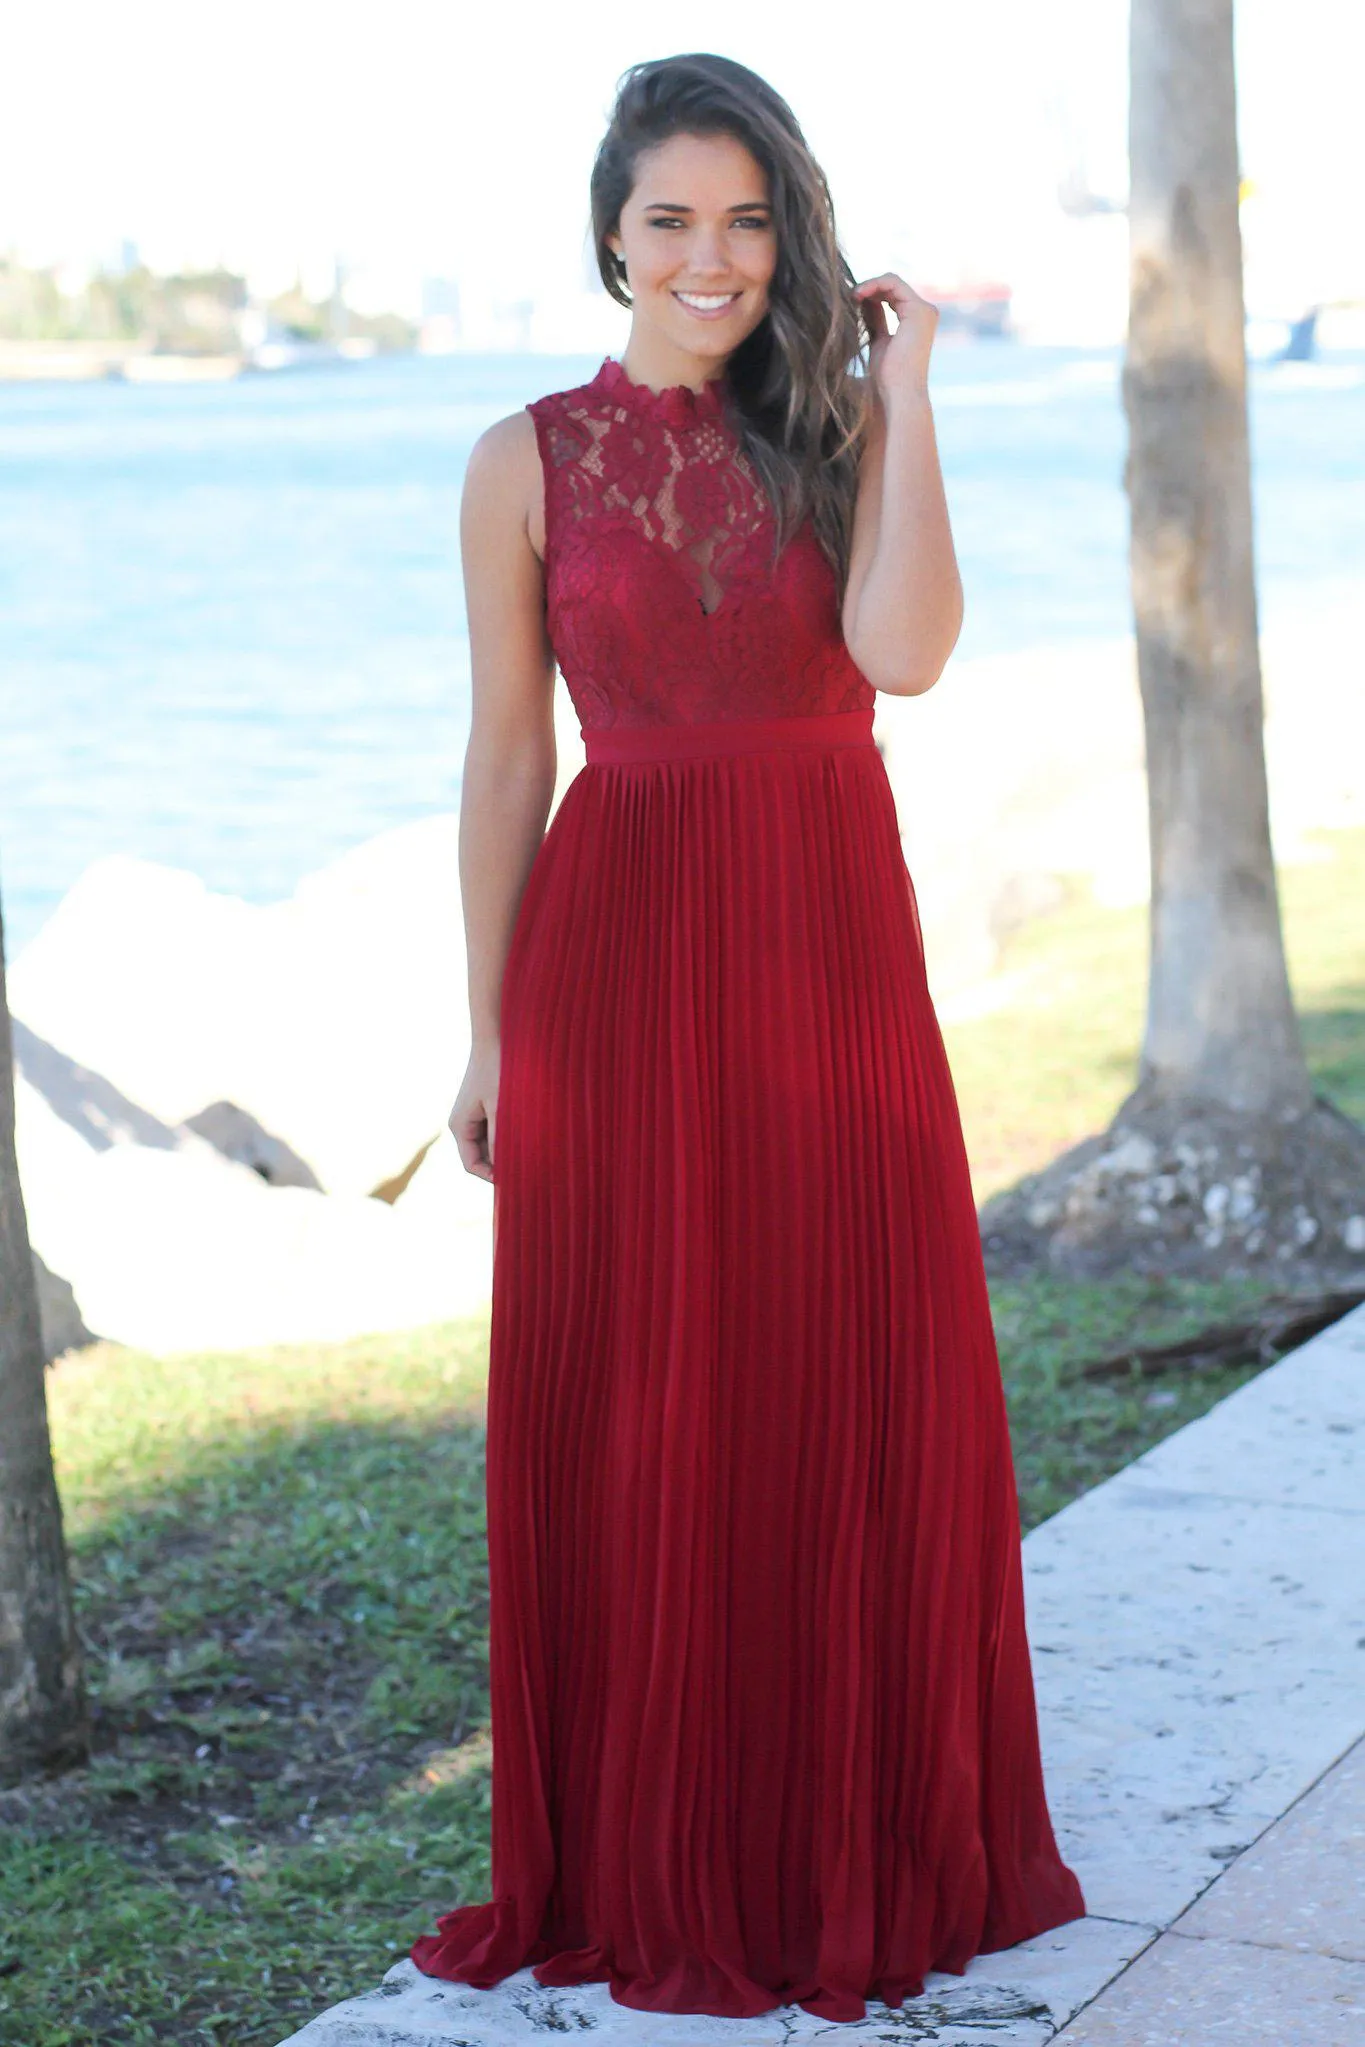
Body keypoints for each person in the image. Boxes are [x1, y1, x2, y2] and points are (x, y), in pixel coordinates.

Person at [409, 49, 1085, 2026]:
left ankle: (841, 1820)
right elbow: (504, 755)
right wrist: (483, 1033)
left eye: (746, 220)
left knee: (845, 1364)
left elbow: (905, 657)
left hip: (823, 943)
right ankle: (655, 1845)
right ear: (608, 233)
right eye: (670, 220)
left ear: (787, 235)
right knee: (646, 1395)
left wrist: (914, 404)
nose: (709, 259)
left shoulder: (838, 424)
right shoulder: (520, 458)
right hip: (612, 957)